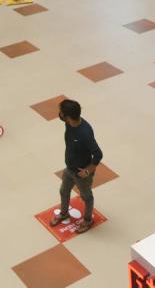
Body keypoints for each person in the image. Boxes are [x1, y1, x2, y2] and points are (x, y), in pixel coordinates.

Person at [50, 99, 102, 234]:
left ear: (67, 116)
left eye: (61, 112)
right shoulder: (69, 123)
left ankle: (88, 219)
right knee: (64, 191)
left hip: (81, 173)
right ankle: (64, 213)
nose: (59, 114)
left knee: (86, 197)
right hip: (69, 169)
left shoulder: (85, 133)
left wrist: (88, 170)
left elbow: (98, 154)